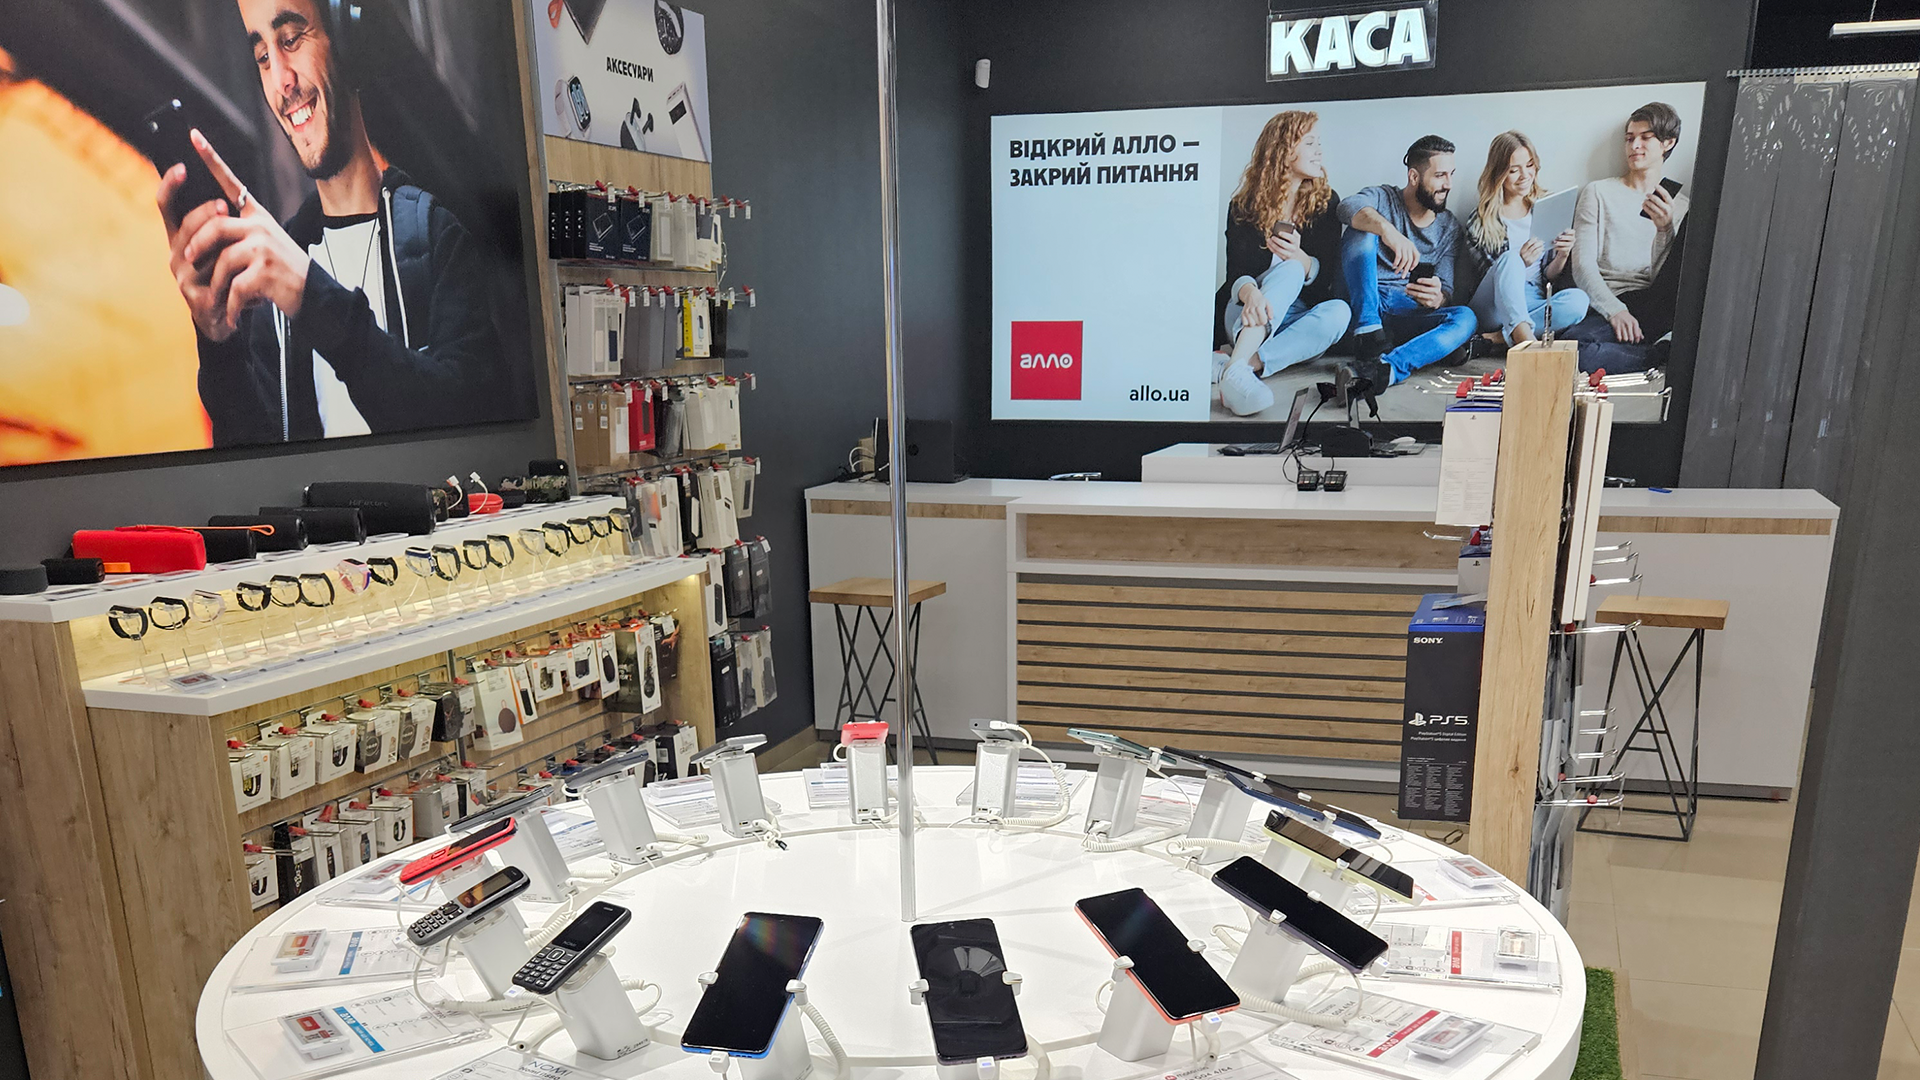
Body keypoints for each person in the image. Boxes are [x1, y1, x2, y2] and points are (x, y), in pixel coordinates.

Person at [158, 0, 505, 446]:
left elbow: (470, 419)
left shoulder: (437, 235)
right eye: (263, 57)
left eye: (291, 40)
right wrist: (217, 343)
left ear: (346, 40)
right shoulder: (272, 289)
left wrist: (310, 295)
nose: (281, 81)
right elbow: (253, 458)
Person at [1210, 110, 1352, 416]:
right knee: (1288, 271)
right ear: (1284, 151)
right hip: (1246, 313)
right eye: (1310, 143)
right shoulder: (1244, 206)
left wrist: (1303, 260)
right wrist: (1252, 294)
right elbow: (1236, 272)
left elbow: (1327, 279)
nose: (1319, 151)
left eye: (1318, 143)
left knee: (1339, 311)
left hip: (1293, 324)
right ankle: (1239, 367)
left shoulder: (1327, 203)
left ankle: (1238, 367)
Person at [1338, 135, 1476, 391]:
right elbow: (1347, 206)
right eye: (1440, 176)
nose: (1448, 185)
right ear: (1414, 176)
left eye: (1451, 175)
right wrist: (1387, 231)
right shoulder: (1383, 198)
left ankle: (1386, 369)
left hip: (1404, 312)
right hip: (1363, 304)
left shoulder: (1449, 227)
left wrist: (1438, 297)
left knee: (1466, 318)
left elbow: (1446, 288)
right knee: (1362, 227)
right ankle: (1369, 333)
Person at [1561, 102, 1691, 372]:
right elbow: (1582, 266)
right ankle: (1659, 354)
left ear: (1668, 143)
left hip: (1655, 302)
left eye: (1645, 138)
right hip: (1610, 301)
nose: (1635, 146)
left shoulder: (1680, 206)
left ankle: (1662, 344)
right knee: (1570, 351)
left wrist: (1665, 229)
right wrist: (1615, 310)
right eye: (1630, 139)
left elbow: (1664, 278)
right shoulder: (1598, 193)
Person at [1462, 130, 1588, 350]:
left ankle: (1499, 339)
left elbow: (1548, 276)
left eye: (1529, 165)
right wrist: (1521, 262)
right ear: (1499, 174)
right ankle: (1528, 345)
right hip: (1494, 305)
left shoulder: (1544, 208)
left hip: (1532, 300)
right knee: (1511, 259)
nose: (1525, 175)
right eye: (1513, 170)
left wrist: (1562, 254)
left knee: (1578, 301)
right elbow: (1492, 277)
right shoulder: (1482, 219)